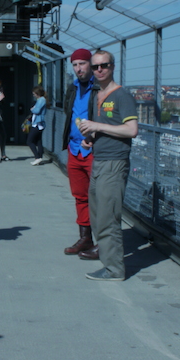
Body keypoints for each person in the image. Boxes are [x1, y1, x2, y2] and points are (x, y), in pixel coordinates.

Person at [78, 50, 138, 281]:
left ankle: (114, 270)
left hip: (114, 162)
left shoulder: (121, 95)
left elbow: (131, 130)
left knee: (108, 218)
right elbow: (103, 126)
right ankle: (109, 265)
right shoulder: (98, 95)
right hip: (100, 160)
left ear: (113, 67)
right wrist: (91, 137)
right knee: (98, 216)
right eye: (95, 67)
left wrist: (97, 127)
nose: (99, 70)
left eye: (104, 65)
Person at [62, 49, 100, 259]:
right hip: (74, 149)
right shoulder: (72, 88)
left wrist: (94, 137)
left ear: (91, 64)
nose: (78, 69)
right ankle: (85, 238)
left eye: (82, 64)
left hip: (93, 150)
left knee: (99, 197)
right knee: (80, 196)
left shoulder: (99, 88)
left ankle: (104, 243)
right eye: (75, 64)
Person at [27, 85, 47, 166]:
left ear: (37, 93)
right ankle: (40, 156)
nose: (33, 95)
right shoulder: (41, 100)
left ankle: (37, 157)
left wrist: (32, 109)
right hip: (38, 124)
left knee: (29, 141)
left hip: (37, 124)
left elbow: (37, 110)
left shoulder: (41, 100)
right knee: (38, 141)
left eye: (34, 94)